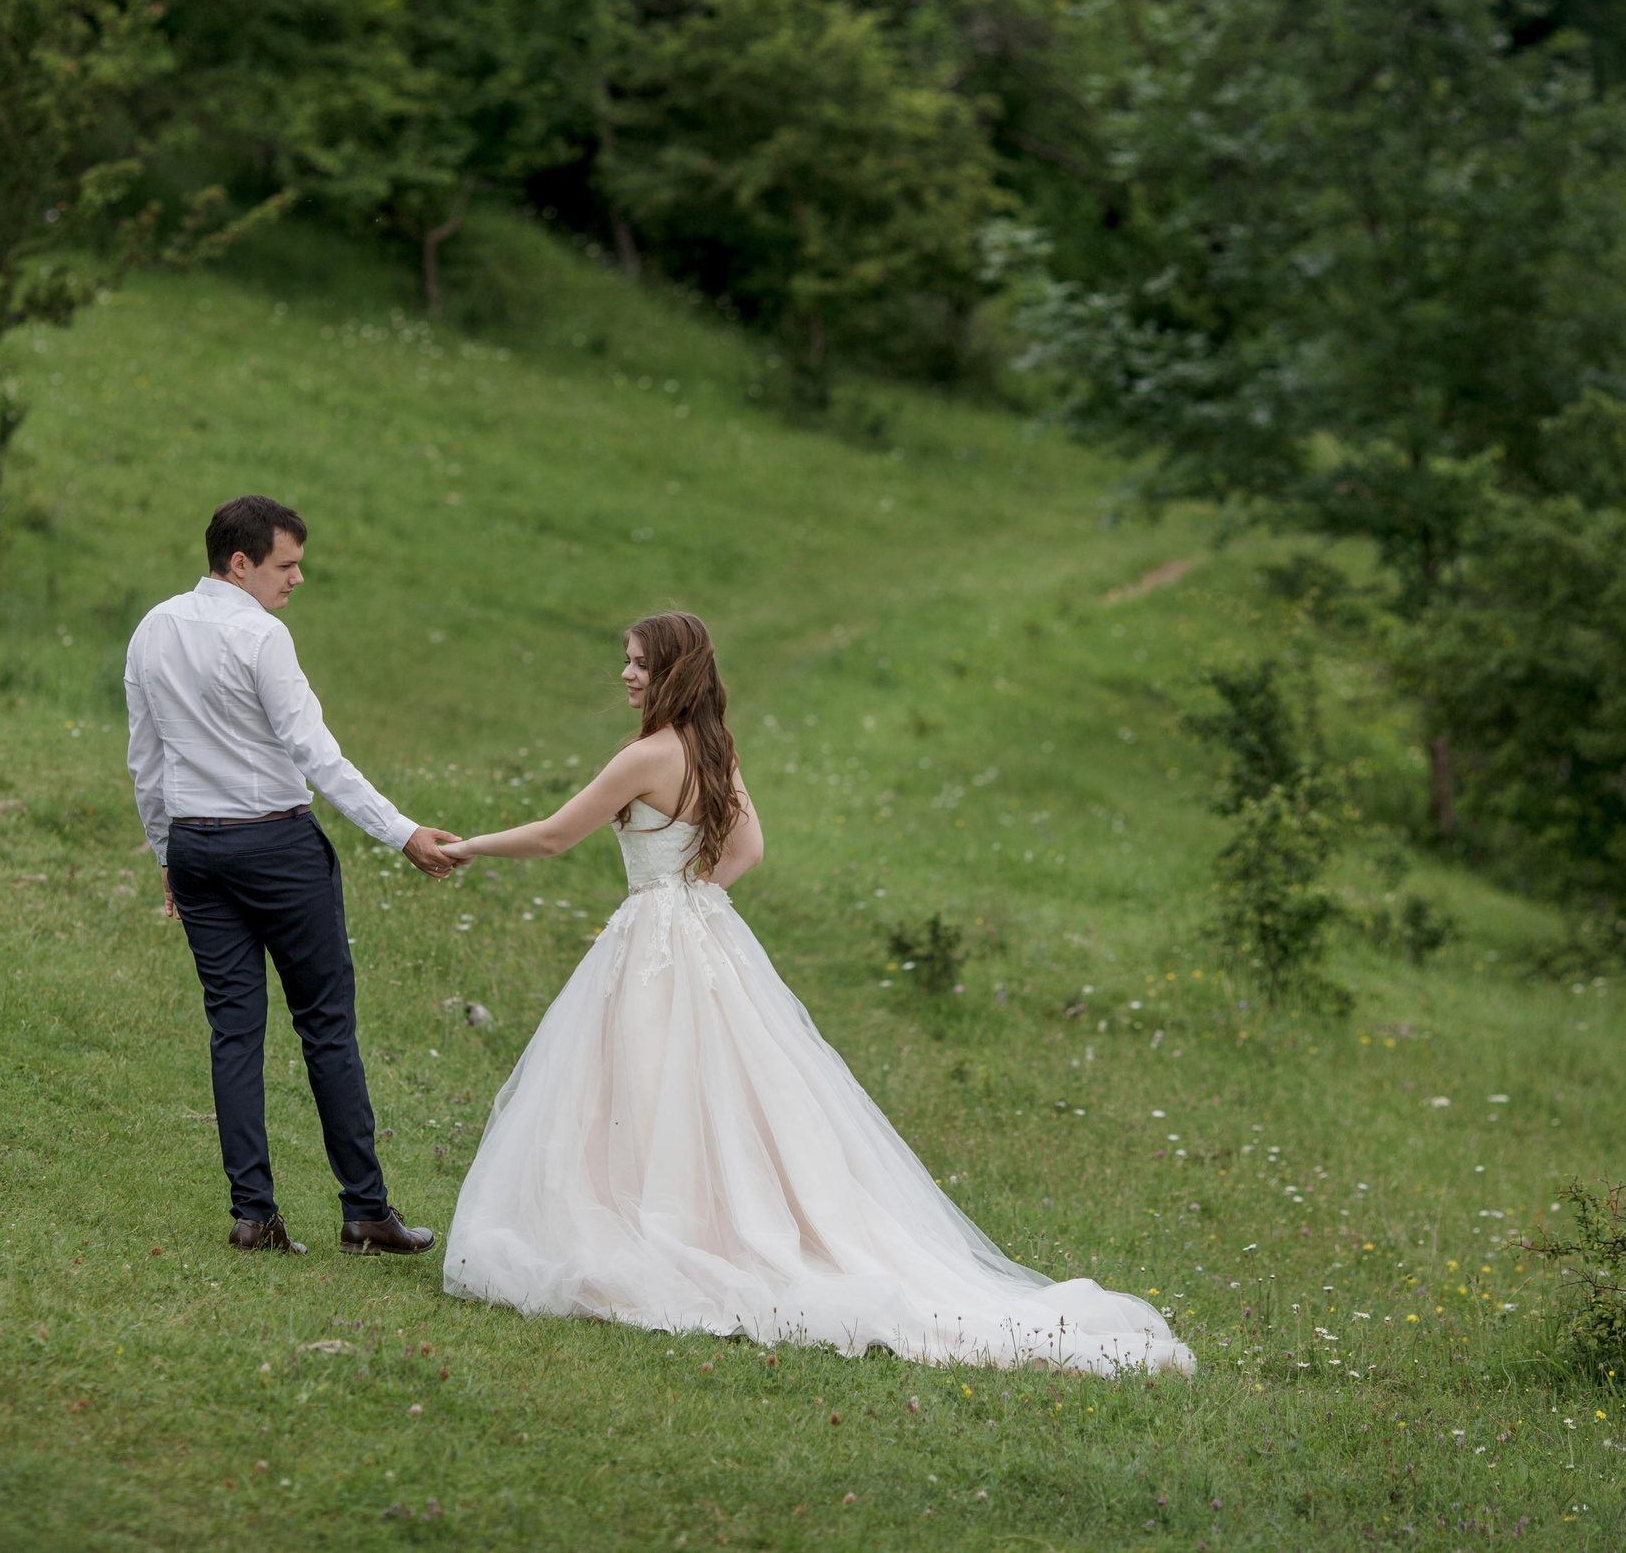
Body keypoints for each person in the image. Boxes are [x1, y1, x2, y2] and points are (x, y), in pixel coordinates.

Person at [437, 611, 1193, 1373]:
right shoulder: (713, 747)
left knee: (643, 1078)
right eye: (626, 662)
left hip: (656, 937)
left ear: (671, 670)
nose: (626, 675)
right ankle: (705, 1218)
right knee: (713, 1086)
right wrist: (691, 895)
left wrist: (466, 847)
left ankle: (658, 1227)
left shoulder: (646, 755)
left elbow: (556, 835)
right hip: (704, 929)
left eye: (638, 664)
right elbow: (748, 848)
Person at [124, 494, 458, 1258]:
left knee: (233, 1031)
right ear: (240, 562)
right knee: (326, 1027)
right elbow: (316, 754)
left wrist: (164, 854)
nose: (298, 578)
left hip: (197, 851)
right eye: (287, 563)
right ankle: (366, 1211)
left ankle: (254, 1215)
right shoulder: (260, 635)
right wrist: (402, 833)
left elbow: (146, 761)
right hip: (276, 848)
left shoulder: (154, 627)